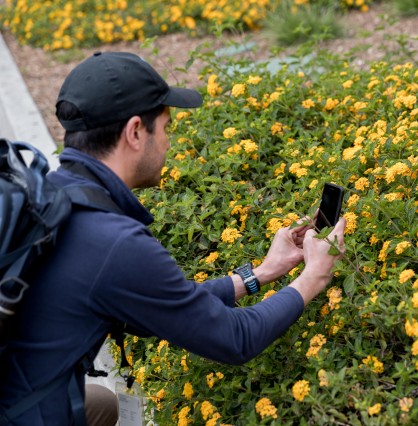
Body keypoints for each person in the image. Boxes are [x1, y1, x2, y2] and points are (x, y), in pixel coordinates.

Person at [0, 51, 345, 425]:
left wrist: (260, 273)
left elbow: (154, 313)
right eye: (165, 128)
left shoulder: (55, 197)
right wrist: (314, 276)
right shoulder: (114, 242)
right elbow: (234, 339)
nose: (168, 143)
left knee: (101, 404)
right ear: (134, 132)